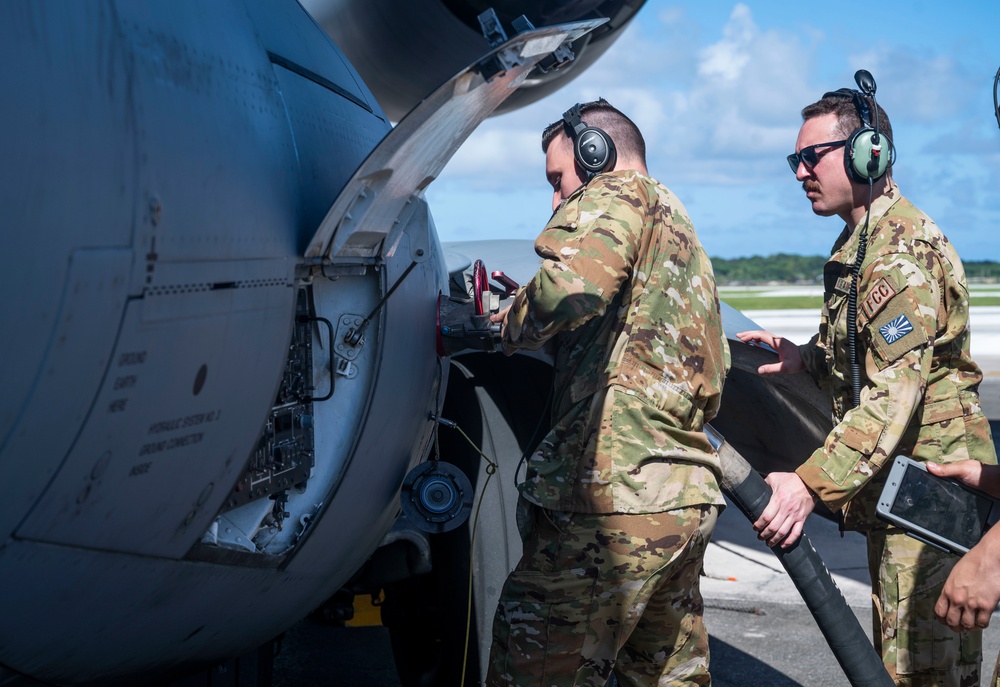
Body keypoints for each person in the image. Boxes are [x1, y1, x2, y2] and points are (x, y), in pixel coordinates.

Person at [737, 75, 997, 685]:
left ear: (867, 154)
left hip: (932, 490)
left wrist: (809, 485)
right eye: (793, 160)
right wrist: (806, 356)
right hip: (900, 489)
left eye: (811, 157)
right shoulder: (861, 245)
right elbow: (867, 351)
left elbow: (890, 397)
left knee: (921, 670)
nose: (799, 172)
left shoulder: (898, 254)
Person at [486, 99, 730, 686]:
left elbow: (572, 288)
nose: (555, 200)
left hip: (612, 501)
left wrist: (508, 321)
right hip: (681, 498)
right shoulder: (675, 219)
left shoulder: (613, 195)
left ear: (596, 154)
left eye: (558, 180)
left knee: (535, 668)